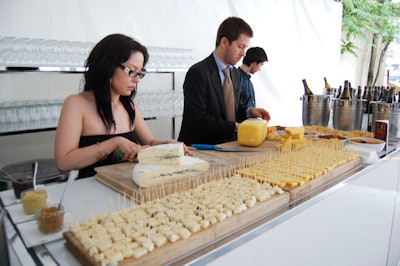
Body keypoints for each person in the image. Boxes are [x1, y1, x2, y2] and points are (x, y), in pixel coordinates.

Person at [54, 34, 191, 179]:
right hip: (91, 189)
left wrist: (167, 145)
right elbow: (63, 163)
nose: (137, 79)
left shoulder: (129, 105)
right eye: (131, 71)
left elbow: (150, 142)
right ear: (107, 65)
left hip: (127, 185)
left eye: (140, 73)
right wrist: (114, 142)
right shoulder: (76, 104)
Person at [178, 17, 271, 146]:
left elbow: (232, 108)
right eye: (240, 46)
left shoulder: (236, 74)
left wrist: (249, 112)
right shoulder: (198, 72)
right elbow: (197, 118)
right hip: (201, 150)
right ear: (224, 42)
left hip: (229, 148)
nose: (244, 54)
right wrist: (235, 127)